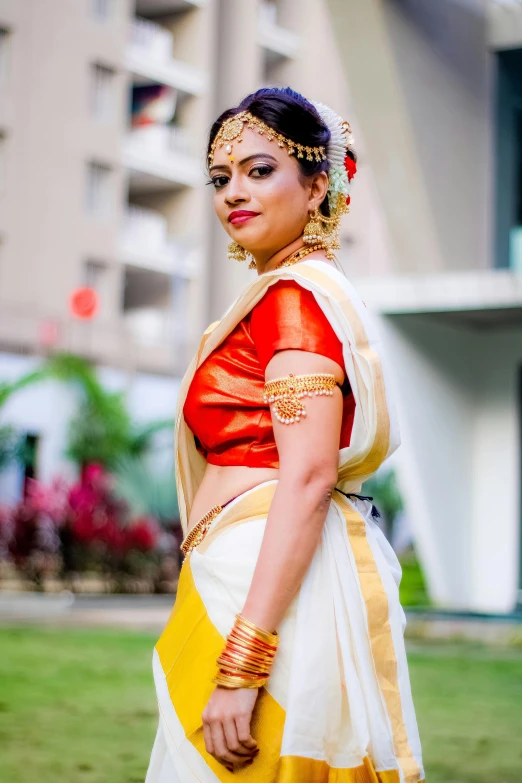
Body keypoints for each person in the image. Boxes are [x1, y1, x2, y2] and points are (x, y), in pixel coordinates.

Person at [145, 87, 425, 783]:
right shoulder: (278, 296)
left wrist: (244, 661)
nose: (234, 192)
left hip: (270, 604)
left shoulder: (296, 300)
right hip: (241, 580)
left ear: (317, 184)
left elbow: (307, 477)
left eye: (260, 170)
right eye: (220, 177)